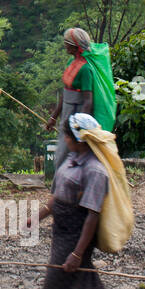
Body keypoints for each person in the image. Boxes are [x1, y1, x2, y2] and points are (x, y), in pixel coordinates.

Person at [29, 112, 118, 289]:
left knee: (57, 287)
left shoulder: (95, 171)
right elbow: (56, 198)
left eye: (66, 135)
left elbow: (92, 215)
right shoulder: (69, 161)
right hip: (61, 231)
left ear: (76, 139)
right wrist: (37, 217)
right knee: (71, 284)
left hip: (78, 234)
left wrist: (78, 253)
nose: (64, 138)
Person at [43, 28, 95, 181]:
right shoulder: (71, 62)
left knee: (66, 156)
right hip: (66, 114)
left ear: (74, 46)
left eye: (67, 42)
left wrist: (77, 129)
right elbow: (66, 92)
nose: (64, 45)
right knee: (61, 155)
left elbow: (87, 101)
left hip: (75, 116)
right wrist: (54, 117)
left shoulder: (86, 69)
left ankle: (66, 192)